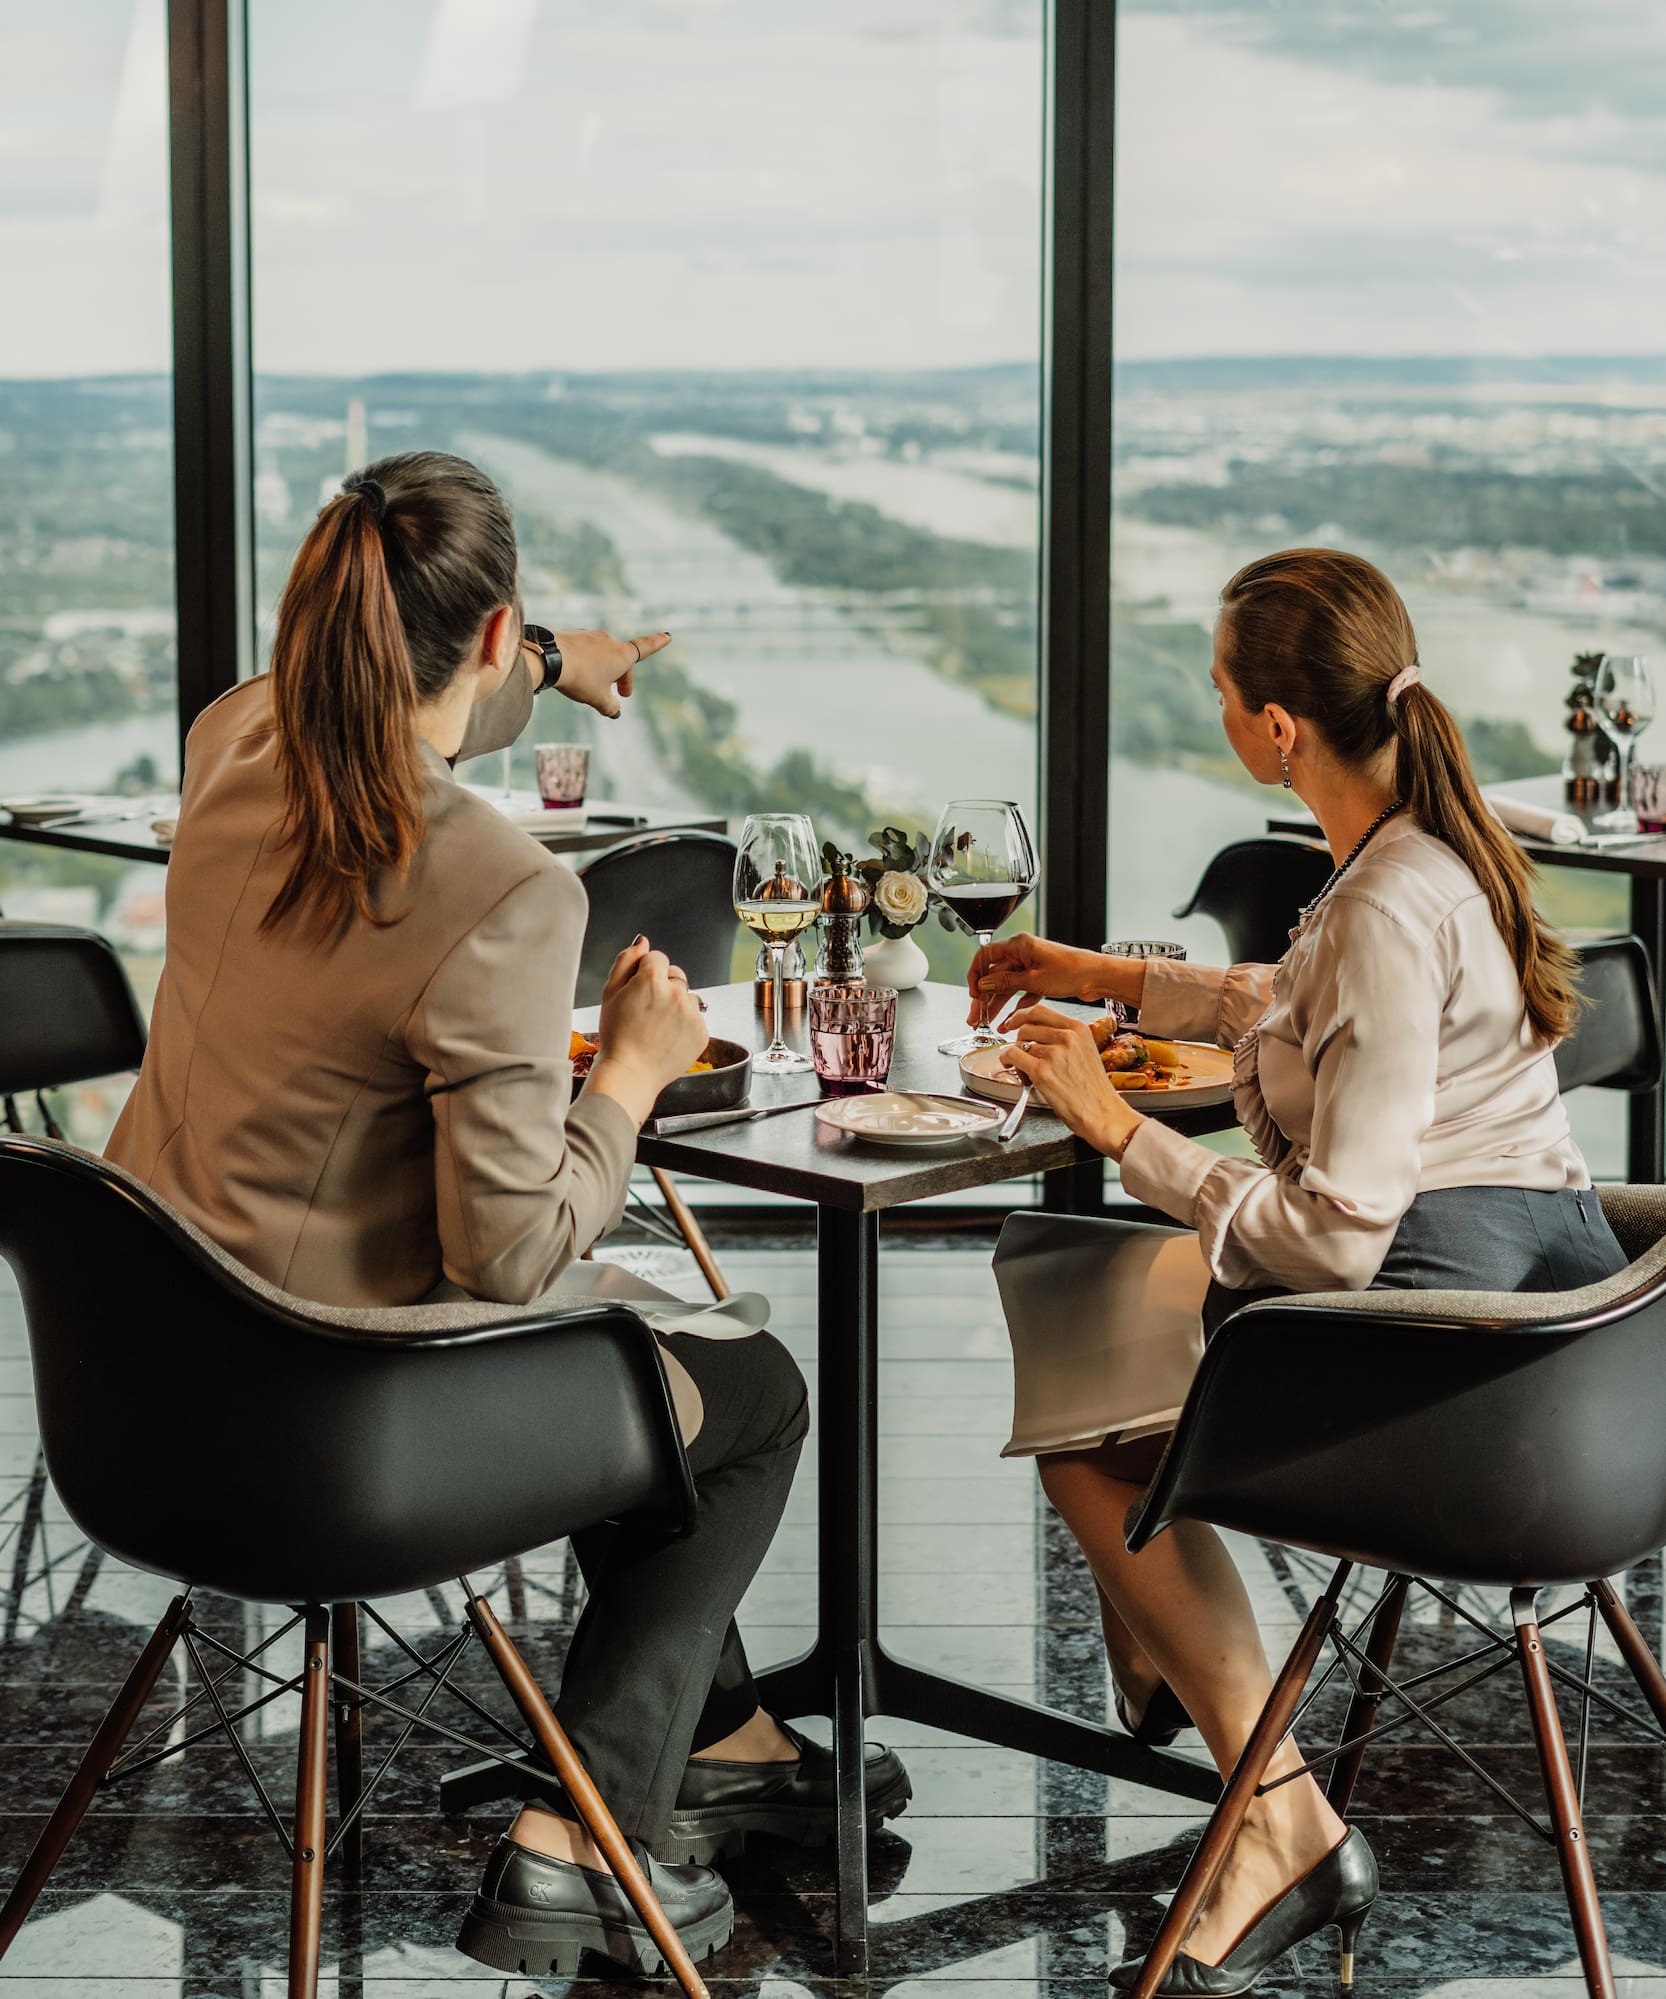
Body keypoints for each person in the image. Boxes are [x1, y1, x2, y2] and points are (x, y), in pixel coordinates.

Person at [105, 450, 908, 1978]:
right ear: (486, 639)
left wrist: (549, 654)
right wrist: (633, 1082)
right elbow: (511, 1255)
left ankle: (726, 1742)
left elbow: (380, 666)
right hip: (328, 1427)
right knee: (743, 1392)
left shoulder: (232, 743)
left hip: (147, 1394)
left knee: (630, 1346)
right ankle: (577, 1839)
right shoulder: (495, 885)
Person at [968, 547, 1627, 1995]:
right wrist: (1100, 973)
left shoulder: (1387, 902)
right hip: (1569, 1339)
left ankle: (1275, 1815)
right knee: (1060, 1272)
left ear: (1276, 727)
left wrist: (1118, 1124)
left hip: (1470, 1380)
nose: (1212, 711)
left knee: (1086, 1426)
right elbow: (1297, 999)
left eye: (1217, 689)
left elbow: (1332, 1231)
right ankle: (1168, 1643)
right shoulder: (1406, 858)